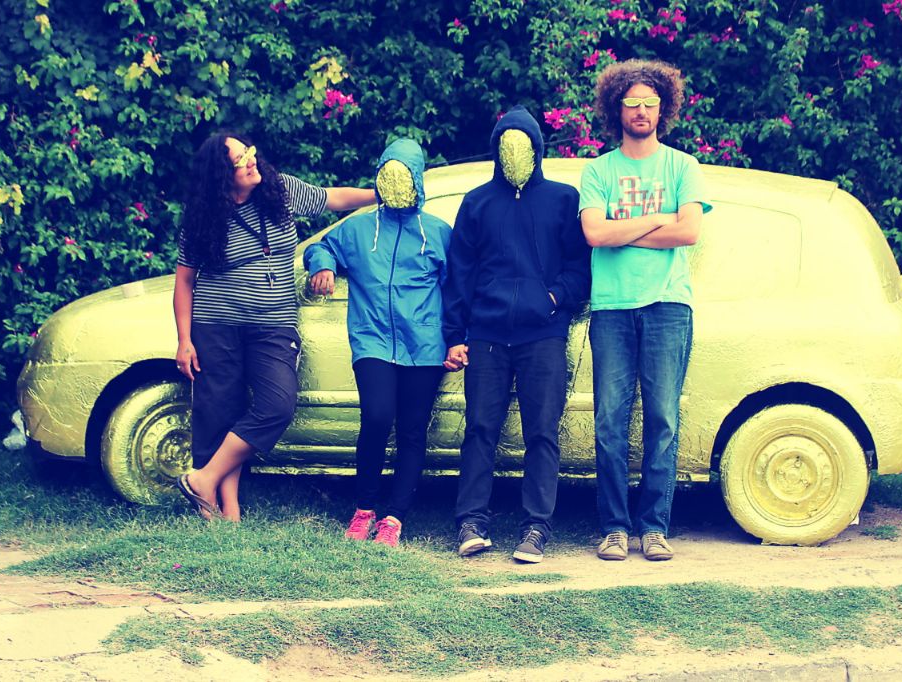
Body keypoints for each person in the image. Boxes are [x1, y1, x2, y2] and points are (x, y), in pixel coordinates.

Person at [173, 131, 375, 522]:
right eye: (239, 159)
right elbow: (184, 282)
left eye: (248, 151)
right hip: (217, 324)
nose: (251, 160)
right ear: (220, 175)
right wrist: (184, 340)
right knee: (220, 411)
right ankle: (227, 508)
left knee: (277, 405)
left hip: (274, 324)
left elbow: (332, 198)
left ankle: (203, 479)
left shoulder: (279, 190)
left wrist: (378, 195)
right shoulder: (203, 218)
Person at [443, 105, 591, 563]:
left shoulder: (563, 199)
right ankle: (471, 521)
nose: (514, 153)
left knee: (542, 433)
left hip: (543, 336)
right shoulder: (476, 203)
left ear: (537, 149)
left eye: (522, 145)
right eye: (505, 146)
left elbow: (581, 268)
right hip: (486, 336)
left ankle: (536, 528)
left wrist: (553, 298)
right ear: (495, 150)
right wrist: (455, 334)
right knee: (479, 430)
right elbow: (459, 273)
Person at [579, 59, 712, 561]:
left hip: (668, 306)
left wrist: (624, 229)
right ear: (617, 109)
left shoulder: (683, 166)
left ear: (663, 108)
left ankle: (654, 528)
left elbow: (689, 231)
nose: (640, 110)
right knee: (609, 421)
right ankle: (614, 528)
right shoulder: (599, 170)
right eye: (631, 102)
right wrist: (659, 218)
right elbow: (595, 233)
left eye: (649, 102)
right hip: (611, 308)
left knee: (663, 420)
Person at [304, 139, 451, 547]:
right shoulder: (358, 228)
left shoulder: (438, 232)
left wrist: (459, 340)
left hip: (425, 347)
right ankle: (364, 509)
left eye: (404, 176)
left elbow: (458, 290)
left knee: (412, 431)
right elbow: (320, 246)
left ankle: (394, 518)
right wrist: (323, 265)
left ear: (417, 181)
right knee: (377, 417)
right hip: (372, 341)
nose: (396, 184)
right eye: (389, 175)